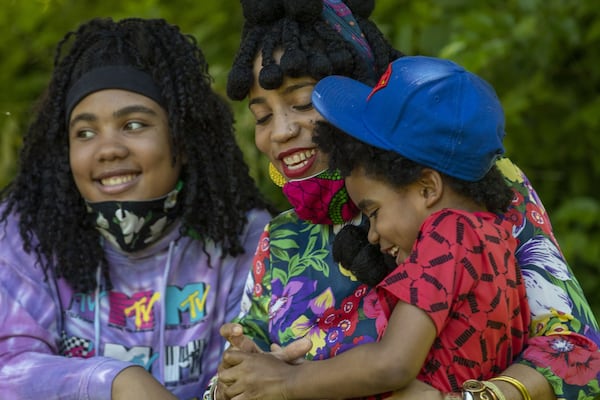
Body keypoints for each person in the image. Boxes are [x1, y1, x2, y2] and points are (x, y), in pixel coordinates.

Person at [208, 1, 600, 399]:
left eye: (304, 103)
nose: (280, 132)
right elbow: (239, 375)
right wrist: (239, 378)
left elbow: (575, 351)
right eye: (261, 117)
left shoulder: (471, 184)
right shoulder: (281, 239)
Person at [218, 55, 533, 399]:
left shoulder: (447, 234)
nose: (371, 233)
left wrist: (286, 383)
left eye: (373, 212)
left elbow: (392, 364)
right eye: (262, 117)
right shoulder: (496, 234)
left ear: (428, 187)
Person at [0, 17, 273, 400]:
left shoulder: (243, 239)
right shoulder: (26, 231)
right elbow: (8, 368)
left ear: (182, 137)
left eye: (133, 125)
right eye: (85, 133)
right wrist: (117, 382)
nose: (108, 149)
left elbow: (241, 377)